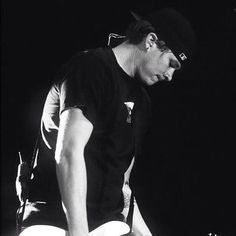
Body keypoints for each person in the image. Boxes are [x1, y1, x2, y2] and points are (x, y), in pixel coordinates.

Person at [16, 7, 195, 236]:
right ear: (151, 41)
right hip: (53, 222)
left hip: (104, 224)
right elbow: (69, 153)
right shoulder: (89, 69)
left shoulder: (142, 103)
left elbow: (123, 185)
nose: (170, 76)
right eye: (172, 63)